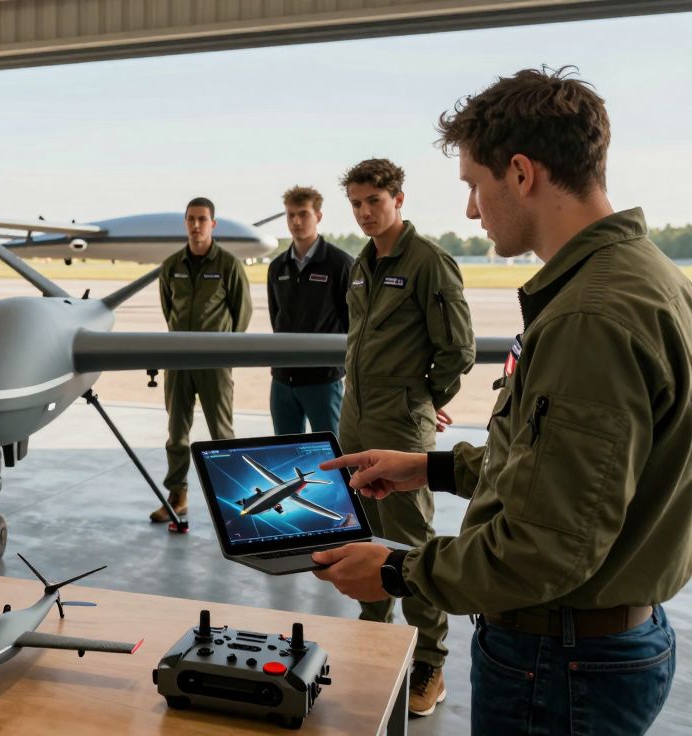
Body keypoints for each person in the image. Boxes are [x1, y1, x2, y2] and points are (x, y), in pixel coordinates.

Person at [313, 67, 690, 735]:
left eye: (472, 186)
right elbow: (568, 472)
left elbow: (547, 546)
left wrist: (400, 569)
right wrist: (430, 467)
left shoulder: (589, 316)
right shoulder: (644, 279)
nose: (469, 210)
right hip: (596, 644)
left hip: (560, 659)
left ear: (520, 174)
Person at [337, 158, 476, 715]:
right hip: (356, 417)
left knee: (412, 541)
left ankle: (430, 663)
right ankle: (375, 639)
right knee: (366, 533)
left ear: (398, 199)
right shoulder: (361, 264)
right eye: (356, 203)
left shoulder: (428, 264)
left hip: (400, 423)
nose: (365, 212)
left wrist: (424, 401)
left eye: (374, 200)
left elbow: (458, 351)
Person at [154, 196, 253, 522]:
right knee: (177, 433)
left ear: (213, 224)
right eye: (191, 219)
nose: (196, 225)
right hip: (179, 362)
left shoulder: (228, 264)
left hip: (214, 365)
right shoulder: (171, 266)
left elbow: (242, 313)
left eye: (202, 219)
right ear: (186, 223)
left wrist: (225, 351)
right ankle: (177, 495)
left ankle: (237, 499)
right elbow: (169, 310)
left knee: (221, 433)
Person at [266, 185, 353, 435]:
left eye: (303, 214)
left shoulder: (340, 264)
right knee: (284, 449)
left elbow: (351, 321)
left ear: (318, 216)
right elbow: (277, 318)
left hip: (323, 380)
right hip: (282, 380)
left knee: (332, 454)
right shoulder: (277, 267)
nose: (296, 221)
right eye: (291, 215)